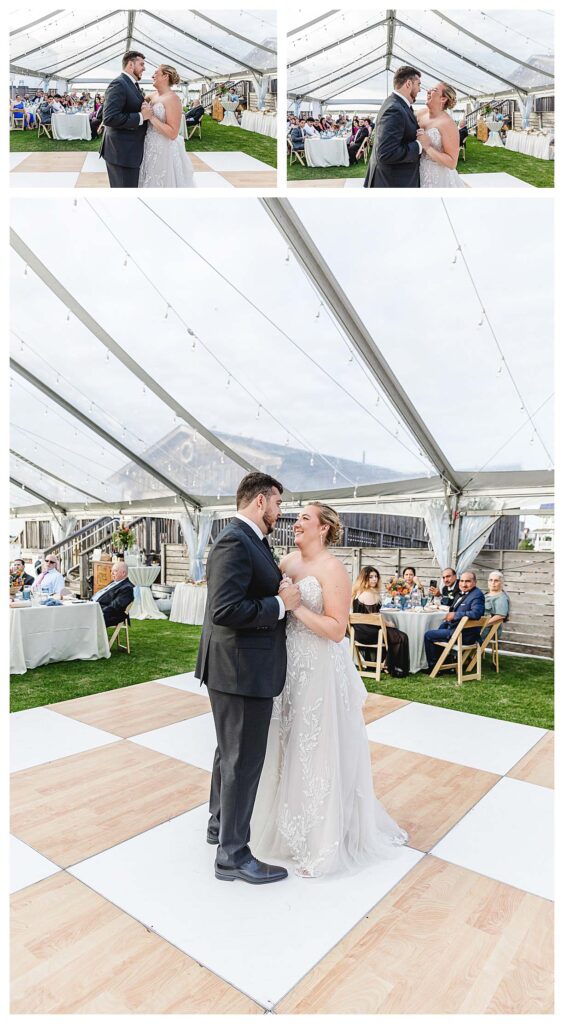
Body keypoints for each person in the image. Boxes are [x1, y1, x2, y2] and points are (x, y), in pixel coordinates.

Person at [251, 503, 408, 879]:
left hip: (319, 668)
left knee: (316, 746)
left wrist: (297, 607)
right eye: (297, 519)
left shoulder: (333, 568)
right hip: (289, 666)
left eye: (305, 518)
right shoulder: (287, 563)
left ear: (324, 529)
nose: (296, 523)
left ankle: (321, 840)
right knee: (288, 743)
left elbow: (338, 629)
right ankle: (286, 831)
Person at [195, 472, 302, 885]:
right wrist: (280, 603)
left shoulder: (251, 541)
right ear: (260, 501)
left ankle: (218, 826)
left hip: (237, 666)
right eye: (277, 504)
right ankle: (233, 856)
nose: (280, 513)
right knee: (243, 759)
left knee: (230, 752)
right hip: (240, 669)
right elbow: (225, 609)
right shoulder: (234, 541)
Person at [364, 66, 425, 188]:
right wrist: (419, 145)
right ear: (408, 84)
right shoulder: (394, 109)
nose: (420, 89)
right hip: (392, 183)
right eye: (418, 84)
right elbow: (386, 153)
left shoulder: (395, 103)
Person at [99, 50, 152, 188]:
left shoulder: (131, 83)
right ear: (130, 65)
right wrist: (141, 116)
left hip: (129, 151)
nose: (144, 68)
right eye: (141, 64)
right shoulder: (119, 84)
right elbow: (110, 118)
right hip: (122, 153)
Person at [138, 64, 194, 188]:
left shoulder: (173, 99)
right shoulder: (151, 96)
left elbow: (173, 133)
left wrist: (151, 117)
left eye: (156, 73)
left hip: (164, 148)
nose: (152, 76)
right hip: (148, 145)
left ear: (165, 76)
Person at [351, 566, 409, 677]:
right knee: (401, 637)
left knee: (394, 633)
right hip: (369, 633)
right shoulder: (368, 594)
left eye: (376, 576)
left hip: (358, 632)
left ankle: (386, 663)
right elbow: (374, 617)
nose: (374, 579)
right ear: (364, 579)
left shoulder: (358, 592)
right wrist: (388, 623)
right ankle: (396, 668)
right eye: (370, 577)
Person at [424, 571, 485, 672]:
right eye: (461, 581)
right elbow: (452, 605)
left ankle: (434, 667)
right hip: (456, 629)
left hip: (464, 635)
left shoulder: (477, 595)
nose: (464, 584)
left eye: (468, 581)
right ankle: (445, 663)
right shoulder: (464, 593)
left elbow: (476, 613)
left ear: (475, 582)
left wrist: (455, 615)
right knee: (441, 627)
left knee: (429, 635)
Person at [416, 82, 465, 188]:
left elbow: (452, 163)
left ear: (443, 99)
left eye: (434, 90)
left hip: (438, 179)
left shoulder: (448, 124)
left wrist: (428, 147)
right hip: (418, 172)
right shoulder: (419, 114)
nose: (428, 91)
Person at [91, 561, 134, 627]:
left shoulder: (127, 588)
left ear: (123, 573)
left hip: (107, 613)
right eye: (112, 571)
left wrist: (100, 612)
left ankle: (86, 636)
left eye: (115, 571)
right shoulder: (114, 582)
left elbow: (115, 606)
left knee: (82, 617)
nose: (112, 573)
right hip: (94, 606)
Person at [482, 571, 510, 640]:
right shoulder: (485, 595)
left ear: (502, 583)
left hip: (486, 630)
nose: (493, 583)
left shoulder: (501, 598)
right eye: (490, 580)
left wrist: (482, 625)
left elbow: (500, 616)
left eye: (496, 580)